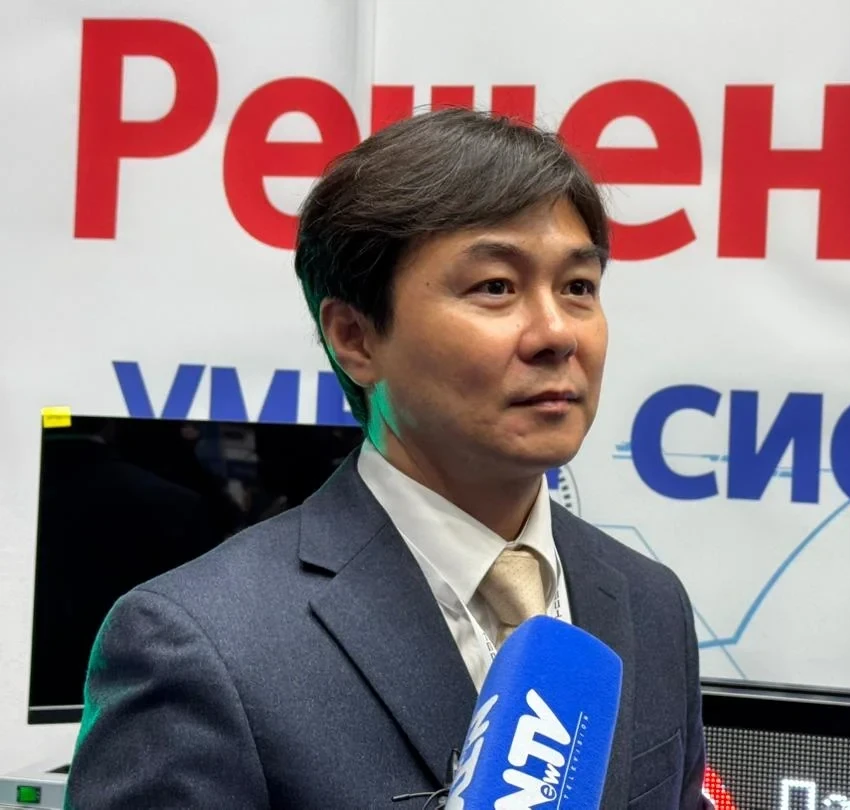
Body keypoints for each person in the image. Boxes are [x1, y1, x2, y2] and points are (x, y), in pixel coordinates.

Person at [65, 108, 711, 809]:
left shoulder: (649, 602)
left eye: (578, 287)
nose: (557, 333)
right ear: (355, 337)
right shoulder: (201, 644)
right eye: (496, 286)